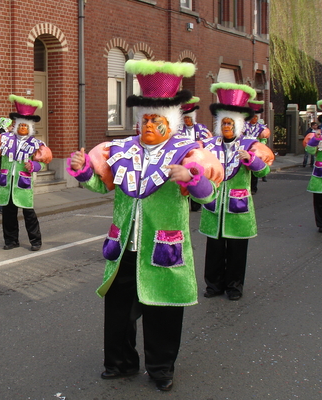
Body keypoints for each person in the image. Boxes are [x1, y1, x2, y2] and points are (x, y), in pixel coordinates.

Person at [67, 60, 223, 391]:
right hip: (125, 244)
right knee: (119, 309)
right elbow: (101, 184)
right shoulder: (120, 149)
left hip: (162, 245)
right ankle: (120, 362)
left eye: (158, 120)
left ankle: (161, 368)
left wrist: (192, 179)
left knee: (162, 309)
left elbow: (210, 194)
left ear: (172, 122)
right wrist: (83, 171)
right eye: (147, 118)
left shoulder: (188, 152)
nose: (150, 124)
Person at [199, 83, 275, 301]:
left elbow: (264, 170)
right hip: (214, 206)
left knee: (236, 249)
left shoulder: (251, 145)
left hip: (238, 207)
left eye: (230, 123)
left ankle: (234, 287)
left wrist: (251, 160)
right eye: (223, 123)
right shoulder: (209, 145)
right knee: (214, 248)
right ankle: (213, 285)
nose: (227, 127)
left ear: (239, 124)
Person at [0, 95, 52, 251]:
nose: (23, 129)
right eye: (20, 126)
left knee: (29, 213)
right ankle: (11, 240)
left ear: (29, 128)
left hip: (23, 184)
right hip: (7, 183)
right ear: (16, 126)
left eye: (25, 126)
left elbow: (43, 162)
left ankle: (35, 241)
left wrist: (32, 165)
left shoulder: (35, 144)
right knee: (8, 214)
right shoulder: (5, 139)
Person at [177, 96, 213, 211]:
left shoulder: (202, 129)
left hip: (197, 159)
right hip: (183, 158)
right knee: (184, 180)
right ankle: (185, 200)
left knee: (195, 179)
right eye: (185, 118)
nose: (187, 120)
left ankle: (196, 203)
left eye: (189, 118)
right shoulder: (178, 130)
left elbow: (207, 142)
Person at [305, 99, 322, 233]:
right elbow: (309, 150)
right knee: (320, 200)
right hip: (320, 173)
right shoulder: (318, 135)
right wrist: (316, 140)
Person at [244, 100, 272, 191]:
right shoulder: (244, 126)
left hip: (256, 150)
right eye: (253, 116)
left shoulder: (261, 128)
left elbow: (263, 139)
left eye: (256, 116)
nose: (254, 118)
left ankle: (254, 187)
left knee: (255, 167)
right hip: (245, 149)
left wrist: (260, 146)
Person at [0, 117, 13, 214]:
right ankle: (2, 206)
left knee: (4, 183)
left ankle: (5, 205)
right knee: (4, 183)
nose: (12, 127)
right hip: (3, 162)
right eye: (10, 125)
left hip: (3, 162)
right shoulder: (1, 134)